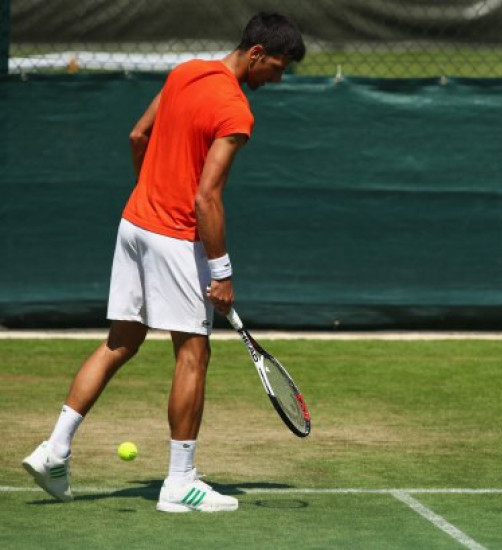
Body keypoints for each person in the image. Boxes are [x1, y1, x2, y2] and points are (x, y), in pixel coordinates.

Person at [21, 12, 305, 513]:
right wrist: (221, 273)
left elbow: (137, 136)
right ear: (257, 53)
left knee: (119, 342)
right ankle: (180, 482)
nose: (277, 80)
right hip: (174, 237)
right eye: (277, 68)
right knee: (193, 354)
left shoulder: (184, 71)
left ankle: (54, 449)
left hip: (134, 224)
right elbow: (206, 199)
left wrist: (150, 193)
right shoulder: (236, 112)